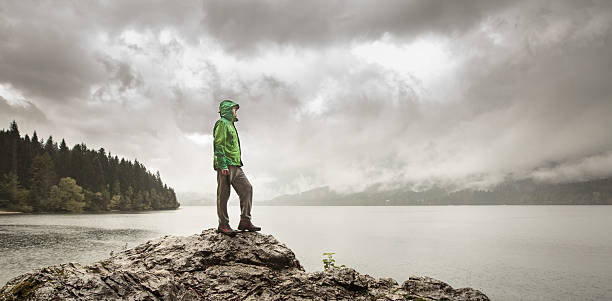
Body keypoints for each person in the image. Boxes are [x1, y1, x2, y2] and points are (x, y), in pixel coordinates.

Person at [213, 99, 261, 236]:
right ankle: (223, 225)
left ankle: (245, 221)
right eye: (234, 109)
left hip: (236, 165)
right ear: (228, 110)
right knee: (223, 195)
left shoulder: (231, 125)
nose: (236, 112)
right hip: (226, 165)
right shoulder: (222, 123)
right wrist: (222, 165)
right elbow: (219, 144)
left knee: (247, 188)